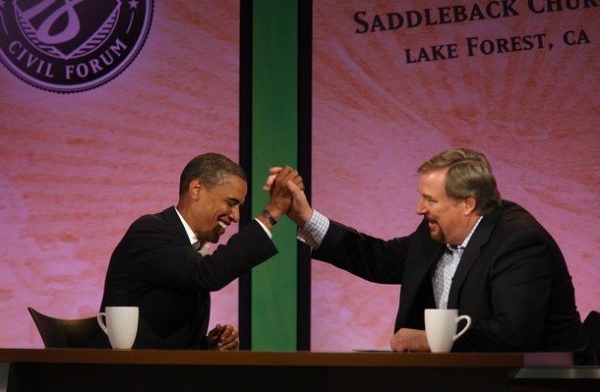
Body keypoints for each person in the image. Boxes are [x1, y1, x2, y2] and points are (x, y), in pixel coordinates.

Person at [275, 148, 592, 361]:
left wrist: (434, 340)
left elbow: (515, 334)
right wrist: (305, 217)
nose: (419, 209)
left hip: (540, 384)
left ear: (467, 203)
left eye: (430, 200)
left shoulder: (517, 241)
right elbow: (379, 259)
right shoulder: (434, 233)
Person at [97, 153, 302, 349]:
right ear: (196, 189)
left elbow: (166, 338)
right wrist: (273, 211)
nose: (236, 216)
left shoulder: (187, 248)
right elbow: (207, 274)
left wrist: (207, 348)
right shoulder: (150, 231)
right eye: (231, 203)